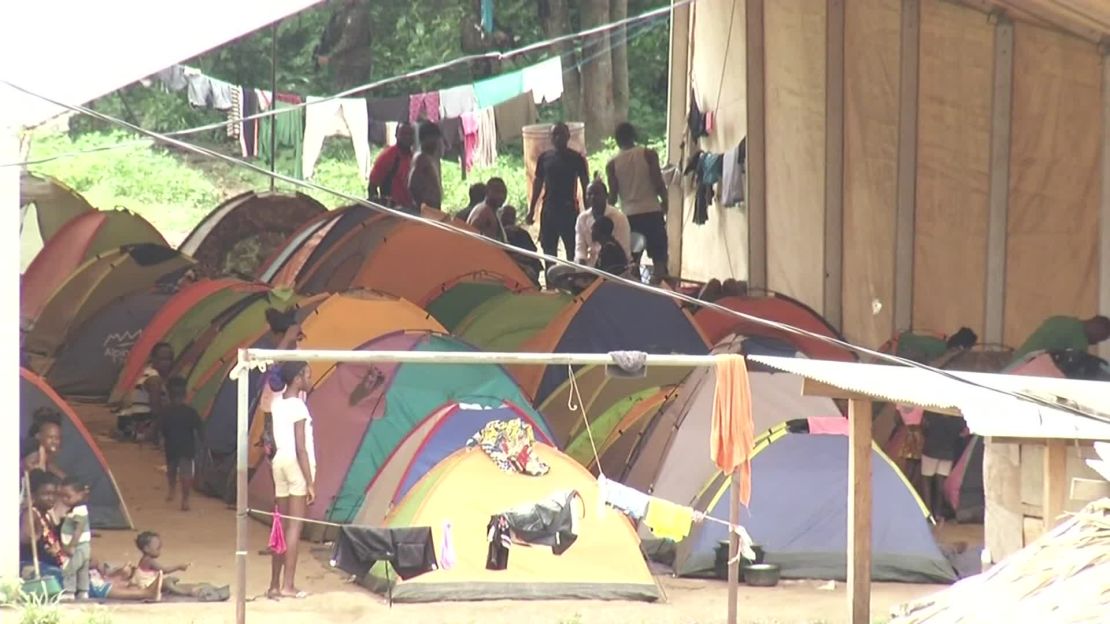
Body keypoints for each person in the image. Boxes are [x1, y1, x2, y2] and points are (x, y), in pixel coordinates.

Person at [268, 361, 316, 600]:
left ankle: (274, 585)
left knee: (279, 524)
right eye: (308, 375)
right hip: (296, 464)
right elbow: (301, 447)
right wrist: (310, 482)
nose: (311, 379)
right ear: (298, 378)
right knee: (294, 528)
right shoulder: (299, 406)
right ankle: (288, 585)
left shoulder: (277, 403)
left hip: (279, 462)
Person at [606, 122, 670, 281]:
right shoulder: (649, 154)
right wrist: (665, 201)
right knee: (659, 259)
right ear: (634, 136)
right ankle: (660, 291)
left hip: (629, 217)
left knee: (633, 262)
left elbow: (613, 196)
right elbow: (658, 183)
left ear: (616, 140)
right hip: (652, 212)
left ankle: (636, 294)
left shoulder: (612, 164)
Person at [527, 122, 589, 268]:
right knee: (549, 251)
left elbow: (586, 184)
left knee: (572, 250)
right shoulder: (544, 158)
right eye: (555, 134)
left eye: (562, 134)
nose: (559, 137)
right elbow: (537, 184)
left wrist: (587, 212)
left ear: (568, 136)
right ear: (551, 138)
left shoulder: (577, 158)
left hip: (569, 210)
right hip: (549, 210)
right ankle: (550, 287)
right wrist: (531, 210)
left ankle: (573, 286)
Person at [133, 531, 228, 600]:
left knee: (167, 581)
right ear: (146, 549)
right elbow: (164, 570)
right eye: (157, 549)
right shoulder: (148, 560)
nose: (160, 551)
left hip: (150, 584)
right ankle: (185, 593)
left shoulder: (147, 559)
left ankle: (176, 588)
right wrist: (179, 566)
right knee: (166, 582)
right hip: (148, 586)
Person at [116, 342, 174, 442]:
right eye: (162, 359)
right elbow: (156, 408)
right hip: (139, 421)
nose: (165, 363)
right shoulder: (154, 379)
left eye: (168, 359)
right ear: (153, 359)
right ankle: (142, 435)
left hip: (128, 420)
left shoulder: (148, 372)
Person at [161, 377, 202, 511]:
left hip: (171, 446)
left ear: (170, 396)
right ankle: (185, 500)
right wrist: (203, 443)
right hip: (187, 447)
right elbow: (199, 428)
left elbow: (160, 429)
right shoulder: (191, 412)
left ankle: (172, 490)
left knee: (172, 470)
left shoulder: (166, 411)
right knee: (186, 474)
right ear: (185, 396)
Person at [19, 469, 67, 586]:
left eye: (54, 494)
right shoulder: (30, 514)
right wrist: (37, 533)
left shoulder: (46, 515)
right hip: (32, 565)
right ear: (34, 495)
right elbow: (25, 539)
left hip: (49, 564)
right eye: (46, 494)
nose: (51, 498)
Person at [920, 411, 967, 521]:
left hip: (930, 449)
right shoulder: (957, 416)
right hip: (948, 452)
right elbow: (962, 433)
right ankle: (938, 512)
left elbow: (924, 427)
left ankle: (928, 512)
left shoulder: (931, 412)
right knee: (941, 483)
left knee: (926, 481)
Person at [574, 178, 631, 268]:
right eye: (589, 194)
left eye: (596, 194)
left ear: (606, 196)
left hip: (614, 268)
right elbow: (580, 248)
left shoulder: (619, 218)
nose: (592, 197)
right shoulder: (582, 218)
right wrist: (581, 263)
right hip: (591, 266)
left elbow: (623, 250)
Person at [1010, 315, 1110, 363]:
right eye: (1100, 338)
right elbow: (1074, 369)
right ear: (1098, 329)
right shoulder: (1079, 340)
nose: (1096, 343)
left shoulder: (1061, 320)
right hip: (1030, 372)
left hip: (1016, 363)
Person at [59, 477, 92, 601]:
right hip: (83, 546)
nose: (64, 499)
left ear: (80, 495)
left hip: (78, 546)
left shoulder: (79, 510)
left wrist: (71, 546)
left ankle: (69, 591)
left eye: (68, 496)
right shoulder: (76, 509)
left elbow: (78, 529)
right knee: (82, 569)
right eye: (62, 496)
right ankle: (83, 591)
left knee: (70, 568)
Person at [367, 122, 414, 208]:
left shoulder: (414, 157)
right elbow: (372, 187)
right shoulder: (388, 156)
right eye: (403, 134)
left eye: (410, 134)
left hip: (410, 209)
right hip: (392, 210)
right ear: (396, 135)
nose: (407, 137)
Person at [499, 205, 542, 281]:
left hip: (526, 265)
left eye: (510, 216)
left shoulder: (522, 233)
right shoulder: (498, 233)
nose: (508, 219)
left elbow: (532, 253)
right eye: (506, 216)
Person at [408, 122, 444, 212]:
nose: (437, 143)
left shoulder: (429, 158)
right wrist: (422, 206)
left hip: (432, 209)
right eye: (435, 140)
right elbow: (412, 185)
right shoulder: (421, 159)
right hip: (426, 210)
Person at [21, 408, 64, 477]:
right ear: (38, 435)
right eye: (51, 437)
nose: (54, 441)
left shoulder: (46, 455)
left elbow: (51, 466)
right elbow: (27, 465)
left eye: (58, 438)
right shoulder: (35, 453)